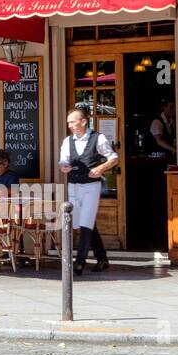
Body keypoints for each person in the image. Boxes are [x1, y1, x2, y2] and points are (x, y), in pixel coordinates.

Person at [60, 106, 118, 275]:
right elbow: (62, 160)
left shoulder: (97, 138)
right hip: (74, 184)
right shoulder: (67, 141)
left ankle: (79, 263)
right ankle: (102, 258)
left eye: (72, 121)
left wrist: (101, 168)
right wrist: (64, 167)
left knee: (85, 223)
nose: (69, 125)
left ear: (83, 122)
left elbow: (113, 158)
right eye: (68, 122)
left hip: (92, 185)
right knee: (80, 220)